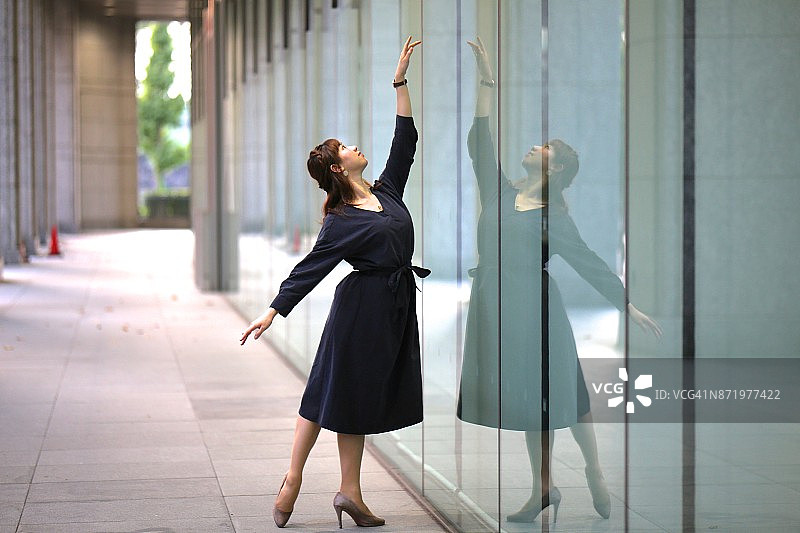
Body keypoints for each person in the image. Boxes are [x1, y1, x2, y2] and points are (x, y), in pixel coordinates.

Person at [456, 37, 661, 524]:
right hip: (497, 305)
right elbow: (478, 141)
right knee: (531, 401)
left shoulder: (555, 217)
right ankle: (544, 488)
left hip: (537, 309)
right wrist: (487, 82)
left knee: (563, 395)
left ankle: (593, 470)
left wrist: (625, 303)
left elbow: (588, 260)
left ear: (557, 167)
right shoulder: (502, 193)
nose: (535, 146)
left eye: (545, 148)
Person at [239, 37, 425, 529]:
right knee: (327, 391)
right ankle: (294, 478)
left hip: (391, 306)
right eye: (345, 147)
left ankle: (350, 492)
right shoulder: (340, 220)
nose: (353, 145)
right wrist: (273, 309)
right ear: (339, 168)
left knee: (355, 396)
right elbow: (311, 267)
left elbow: (405, 142)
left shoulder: (386, 192)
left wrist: (400, 82)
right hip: (361, 307)